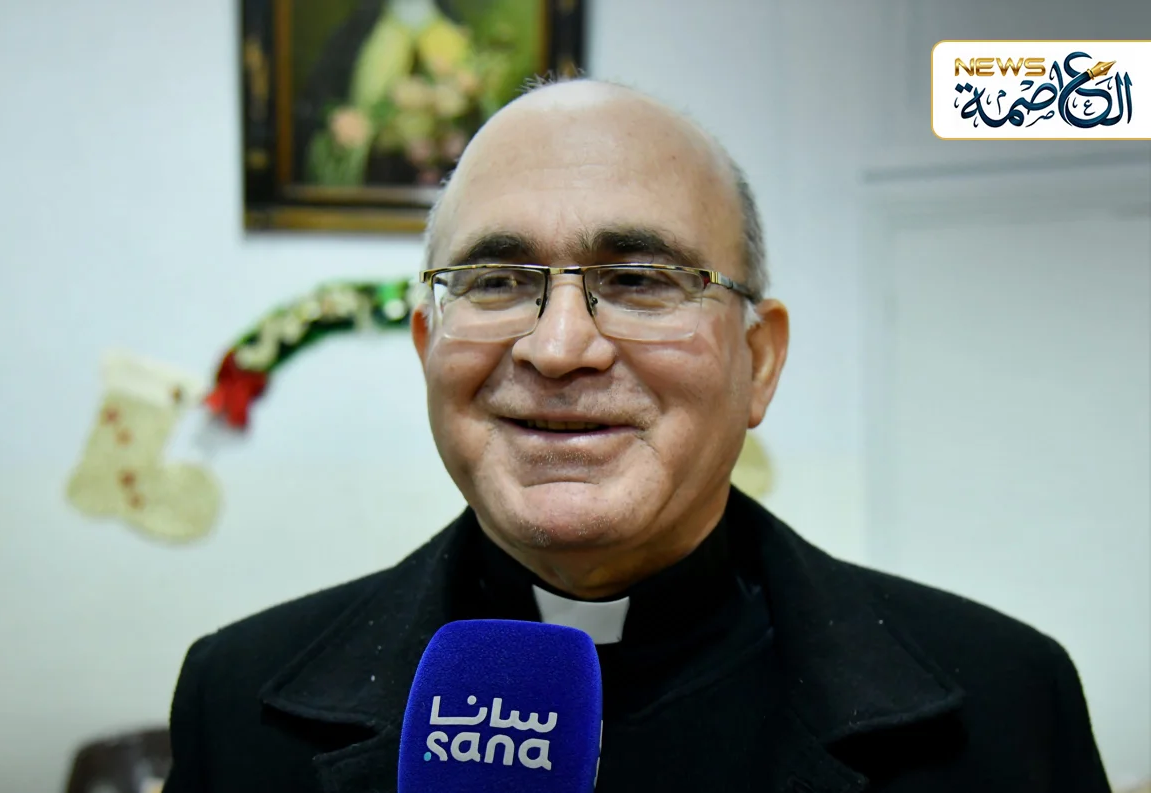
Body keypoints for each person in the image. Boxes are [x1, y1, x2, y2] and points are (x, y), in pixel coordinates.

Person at [163, 79, 1110, 792]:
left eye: (640, 280)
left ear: (760, 362)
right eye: (497, 282)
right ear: (428, 348)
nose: (557, 348)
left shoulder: (1007, 702)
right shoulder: (237, 705)